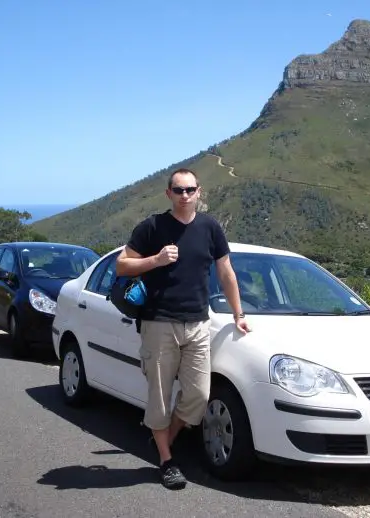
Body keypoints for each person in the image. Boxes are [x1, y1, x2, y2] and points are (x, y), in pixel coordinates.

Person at [115, 167, 251, 489]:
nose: (185, 195)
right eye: (178, 190)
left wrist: (238, 314)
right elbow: (122, 265)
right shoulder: (152, 227)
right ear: (168, 194)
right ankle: (166, 460)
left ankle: (164, 438)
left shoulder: (210, 228)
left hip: (197, 324)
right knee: (159, 397)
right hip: (159, 323)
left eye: (190, 190)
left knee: (197, 396)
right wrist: (156, 260)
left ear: (199, 192)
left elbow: (226, 272)